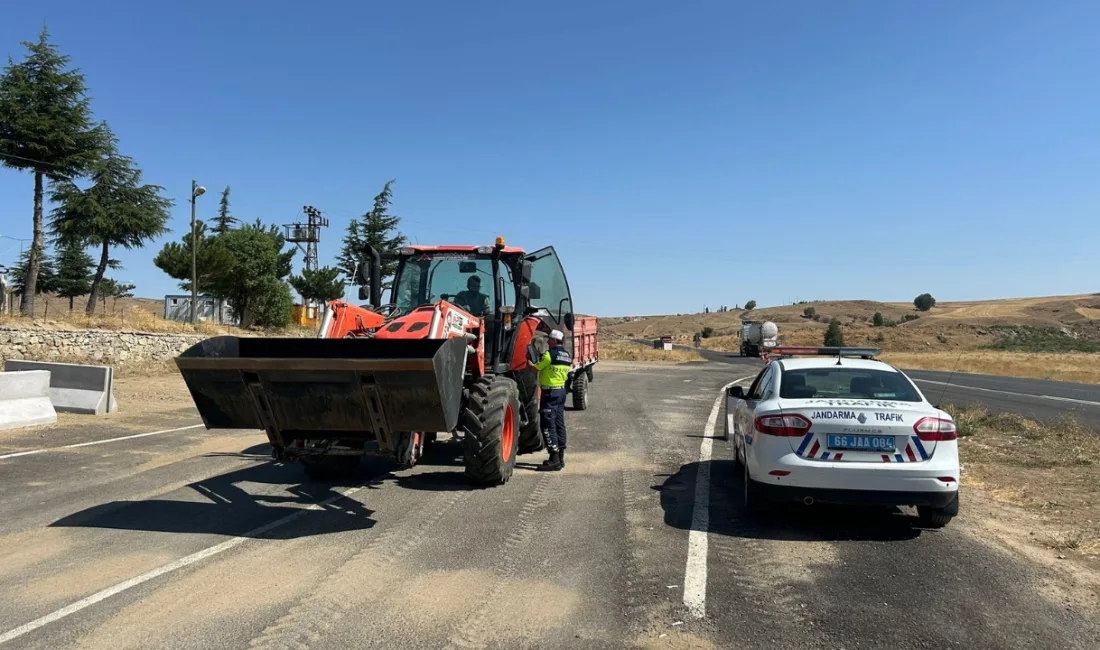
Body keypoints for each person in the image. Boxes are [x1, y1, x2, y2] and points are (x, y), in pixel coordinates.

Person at [528, 329, 571, 471]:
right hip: (561, 392)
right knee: (559, 424)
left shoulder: (549, 355)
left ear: (554, 340)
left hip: (550, 393)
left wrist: (528, 361)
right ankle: (561, 457)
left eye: (549, 339)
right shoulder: (567, 355)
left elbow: (535, 369)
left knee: (547, 425)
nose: (547, 341)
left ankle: (554, 459)